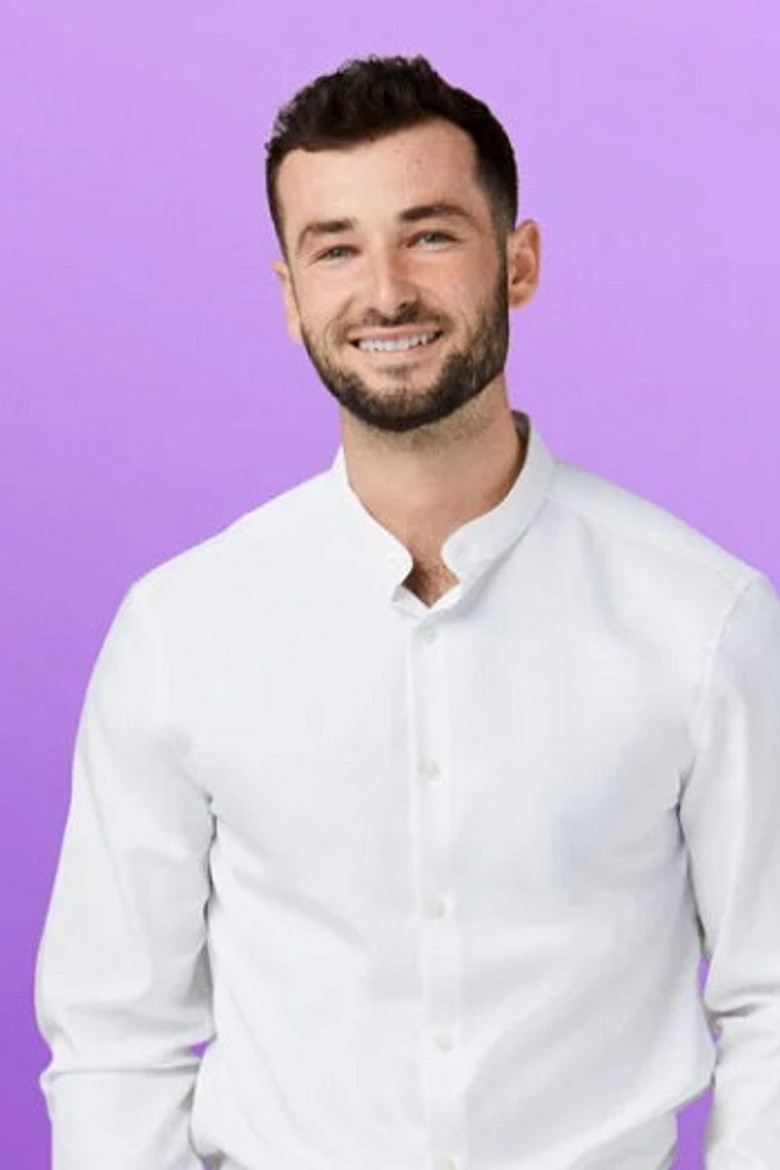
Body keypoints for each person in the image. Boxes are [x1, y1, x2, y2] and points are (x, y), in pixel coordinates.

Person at [35, 55, 780, 1170]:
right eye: (335, 248)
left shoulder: (702, 620)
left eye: (429, 235)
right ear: (290, 295)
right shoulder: (181, 633)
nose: (384, 292)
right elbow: (114, 1034)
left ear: (518, 262)